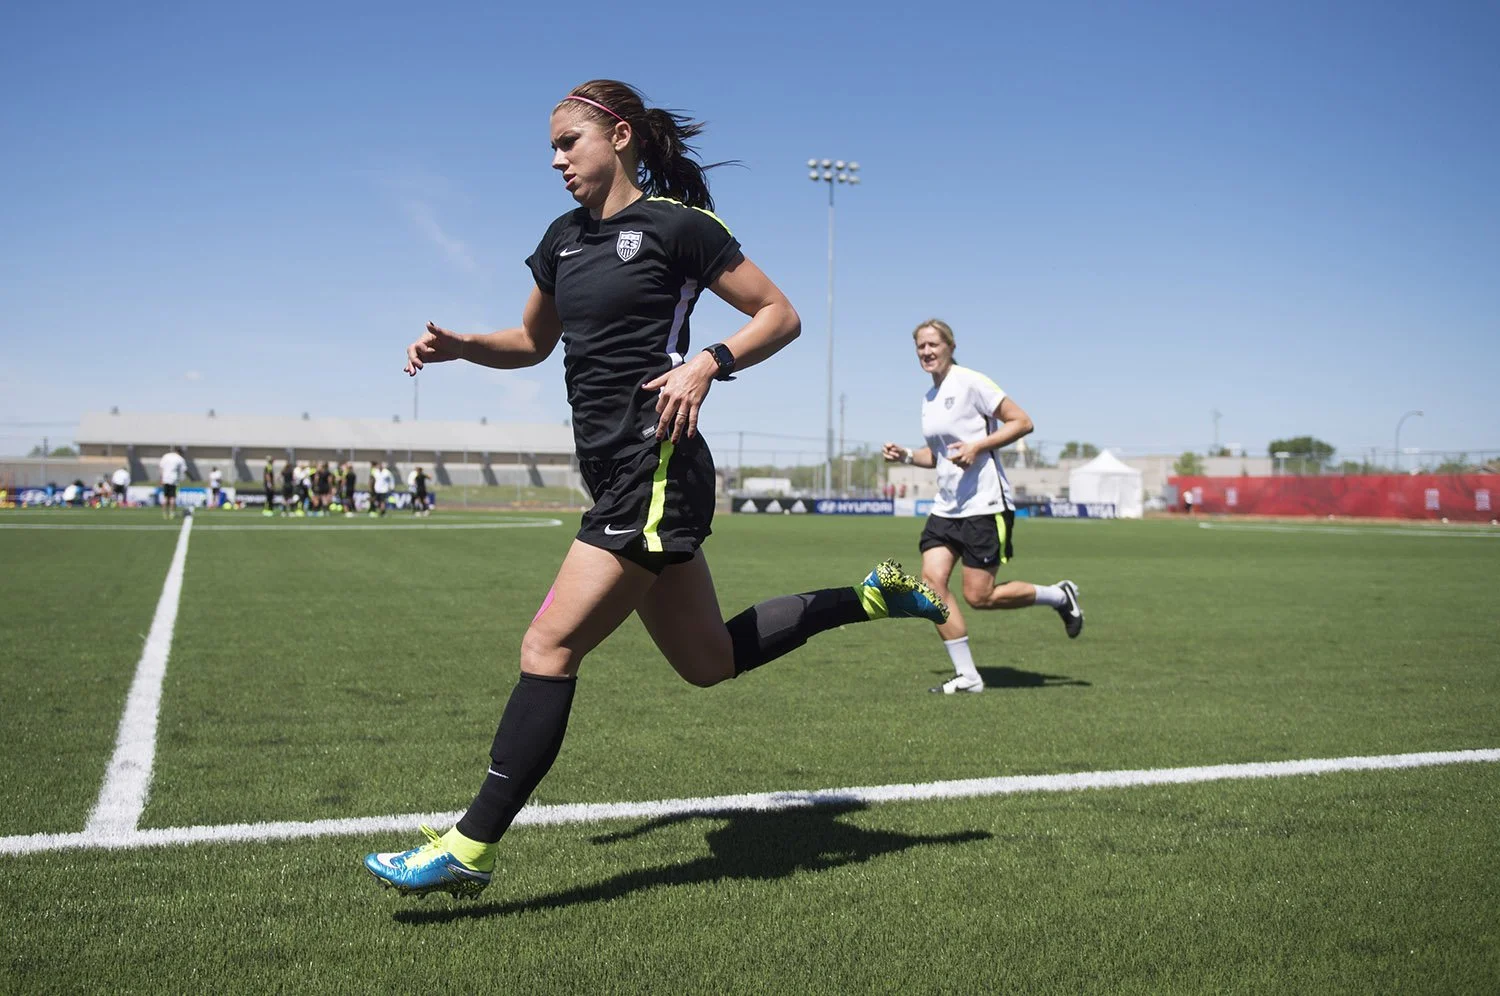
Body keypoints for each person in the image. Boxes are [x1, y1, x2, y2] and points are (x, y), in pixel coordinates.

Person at [363, 79, 949, 899]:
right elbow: (532, 342)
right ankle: (871, 597)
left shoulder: (678, 226)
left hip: (657, 466)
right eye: (552, 148)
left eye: (570, 141)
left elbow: (780, 314)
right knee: (708, 663)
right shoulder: (561, 239)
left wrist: (708, 362)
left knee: (547, 648)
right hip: (609, 471)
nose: (558, 159)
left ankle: (472, 844)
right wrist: (464, 346)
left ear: (621, 136)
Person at [882, 319, 1084, 696]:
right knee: (931, 584)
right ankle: (968, 676)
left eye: (932, 344)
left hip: (985, 504)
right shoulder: (929, 398)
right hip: (946, 507)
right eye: (920, 347)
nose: (926, 352)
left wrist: (979, 446)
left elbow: (1022, 422)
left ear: (950, 346)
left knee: (980, 597)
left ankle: (1060, 595)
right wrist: (906, 455)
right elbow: (940, 455)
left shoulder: (972, 382)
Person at [158, 447, 188, 519]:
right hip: (174, 480)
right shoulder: (180, 458)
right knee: (172, 497)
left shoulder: (166, 456)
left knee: (165, 497)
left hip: (165, 479)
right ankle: (172, 513)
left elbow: (161, 468)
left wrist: (161, 478)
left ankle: (164, 513)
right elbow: (184, 469)